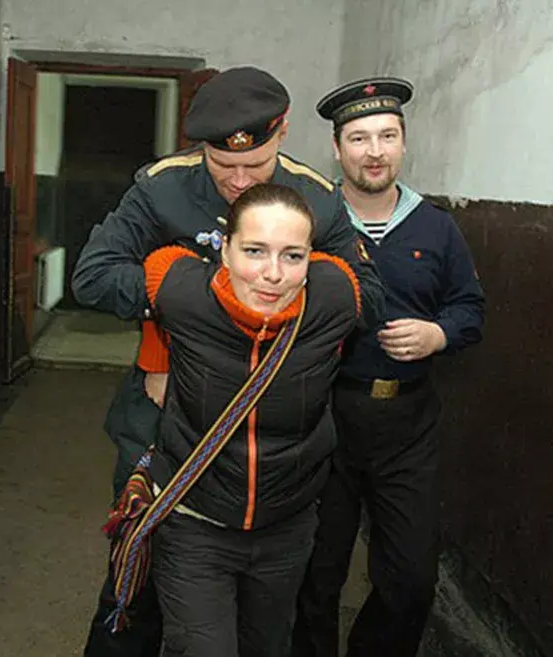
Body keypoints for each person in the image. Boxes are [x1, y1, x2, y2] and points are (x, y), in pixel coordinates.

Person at [72, 66, 386, 657]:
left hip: (273, 419)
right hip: (165, 413)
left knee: (261, 606)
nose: (239, 181)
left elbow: (367, 296)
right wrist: (187, 306)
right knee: (135, 577)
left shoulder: (317, 198)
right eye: (223, 166)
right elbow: (94, 276)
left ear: (282, 133)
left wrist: (269, 291)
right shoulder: (162, 188)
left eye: (255, 164)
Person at [291, 77, 486, 657]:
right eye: (359, 138)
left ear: (404, 143)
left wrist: (438, 334)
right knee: (315, 573)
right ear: (337, 149)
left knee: (411, 580)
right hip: (324, 417)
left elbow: (470, 308)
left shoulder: (436, 226)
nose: (374, 151)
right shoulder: (310, 221)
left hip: (407, 425)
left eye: (387, 136)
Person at [138, 183, 363, 657]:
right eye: (254, 251)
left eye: (293, 256)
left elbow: (348, 274)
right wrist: (156, 355)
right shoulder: (184, 291)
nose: (273, 274)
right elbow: (156, 266)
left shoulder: (334, 298)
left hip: (287, 529)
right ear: (224, 250)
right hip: (195, 523)